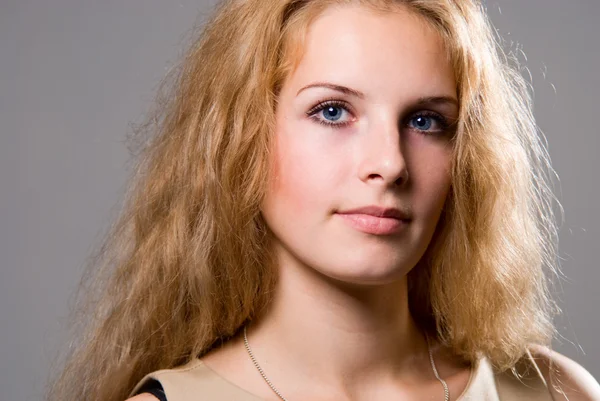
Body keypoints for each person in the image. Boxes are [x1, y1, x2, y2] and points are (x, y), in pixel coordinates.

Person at [47, 0, 600, 400]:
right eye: (332, 111)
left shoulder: (556, 394)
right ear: (241, 138)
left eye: (426, 121)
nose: (389, 163)